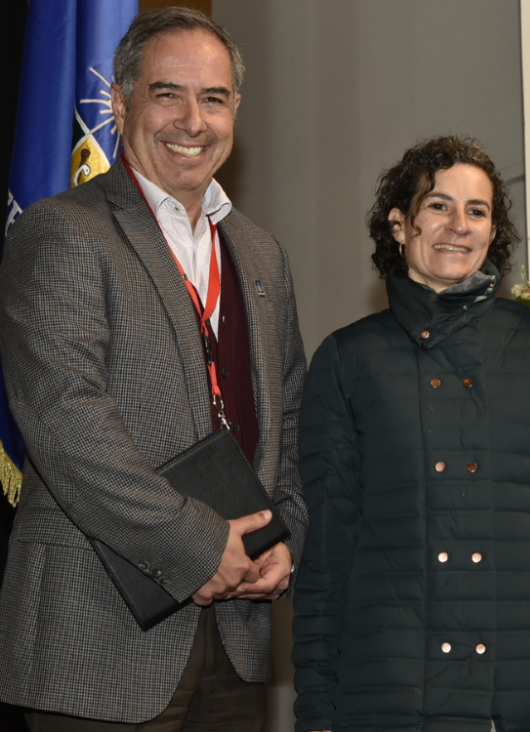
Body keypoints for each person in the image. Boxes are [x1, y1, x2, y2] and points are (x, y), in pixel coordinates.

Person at [0, 8, 307, 730]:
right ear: (120, 100)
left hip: (236, 637)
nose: (191, 121)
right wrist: (205, 546)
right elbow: (67, 423)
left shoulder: (261, 254)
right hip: (97, 636)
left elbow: (289, 413)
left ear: (237, 109)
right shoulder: (62, 231)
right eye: (167, 93)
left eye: (214, 98)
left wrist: (285, 535)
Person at [291, 136, 530, 732]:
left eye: (477, 211)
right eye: (439, 205)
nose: (458, 226)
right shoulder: (347, 359)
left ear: (494, 232)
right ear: (400, 224)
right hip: (385, 689)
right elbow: (326, 548)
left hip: (521, 689)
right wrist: (316, 699)